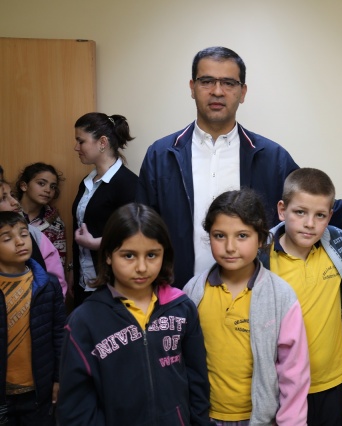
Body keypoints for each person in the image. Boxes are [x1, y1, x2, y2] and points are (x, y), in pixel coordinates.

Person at [137, 46, 342, 289]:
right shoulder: (161, 155)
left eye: (228, 83)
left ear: (243, 92)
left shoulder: (271, 157)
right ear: (192, 88)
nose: (217, 91)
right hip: (177, 295)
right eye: (207, 81)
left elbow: (312, 204)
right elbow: (141, 230)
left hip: (252, 296)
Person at [58, 203, 210, 425]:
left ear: (164, 254)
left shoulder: (182, 308)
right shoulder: (84, 321)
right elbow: (76, 407)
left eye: (152, 255)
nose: (141, 267)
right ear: (108, 255)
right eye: (129, 256)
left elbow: (197, 380)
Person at [183, 189, 309, 425]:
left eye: (242, 236)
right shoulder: (192, 293)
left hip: (258, 419)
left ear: (260, 239)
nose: (230, 247)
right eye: (219, 236)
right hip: (203, 417)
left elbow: (294, 372)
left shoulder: (280, 296)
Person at [258, 168, 342, 426]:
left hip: (334, 383)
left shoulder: (340, 244)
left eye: (320, 215)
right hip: (283, 387)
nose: (310, 223)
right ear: (282, 210)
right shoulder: (261, 256)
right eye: (300, 212)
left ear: (330, 217)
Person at [0, 211, 66, 425]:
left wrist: (58, 379)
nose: (20, 242)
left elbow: (59, 335)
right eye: (7, 238)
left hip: (38, 391)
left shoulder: (49, 285)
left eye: (24, 234)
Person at [72, 113, 138, 307]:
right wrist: (72, 270)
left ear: (102, 142)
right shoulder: (86, 183)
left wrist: (96, 244)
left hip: (113, 284)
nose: (76, 147)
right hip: (84, 281)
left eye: (81, 141)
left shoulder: (127, 183)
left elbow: (136, 235)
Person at [0, 175, 68, 296]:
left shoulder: (33, 233)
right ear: (24, 186)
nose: (14, 202)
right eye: (3, 198)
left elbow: (57, 281)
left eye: (12, 195)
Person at [15, 162, 67, 268]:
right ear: (24, 186)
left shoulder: (56, 224)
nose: (48, 190)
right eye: (41, 183)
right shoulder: (8, 214)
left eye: (53, 186)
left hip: (42, 276)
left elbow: (58, 263)